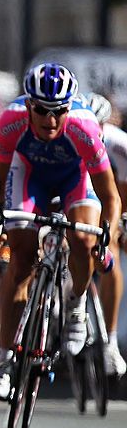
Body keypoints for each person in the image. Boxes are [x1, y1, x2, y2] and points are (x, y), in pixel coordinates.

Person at [0, 65, 121, 400]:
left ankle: (76, 305)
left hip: (73, 178)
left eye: (58, 111)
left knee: (84, 239)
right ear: (28, 105)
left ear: (69, 109)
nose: (49, 119)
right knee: (22, 259)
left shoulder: (84, 127)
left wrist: (107, 235)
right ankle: (3, 363)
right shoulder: (10, 122)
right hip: (28, 176)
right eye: (41, 110)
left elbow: (110, 195)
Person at [89, 92, 127, 376]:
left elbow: (121, 194)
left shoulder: (118, 145)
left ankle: (110, 340)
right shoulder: (71, 135)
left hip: (111, 199)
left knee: (109, 250)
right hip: (77, 195)